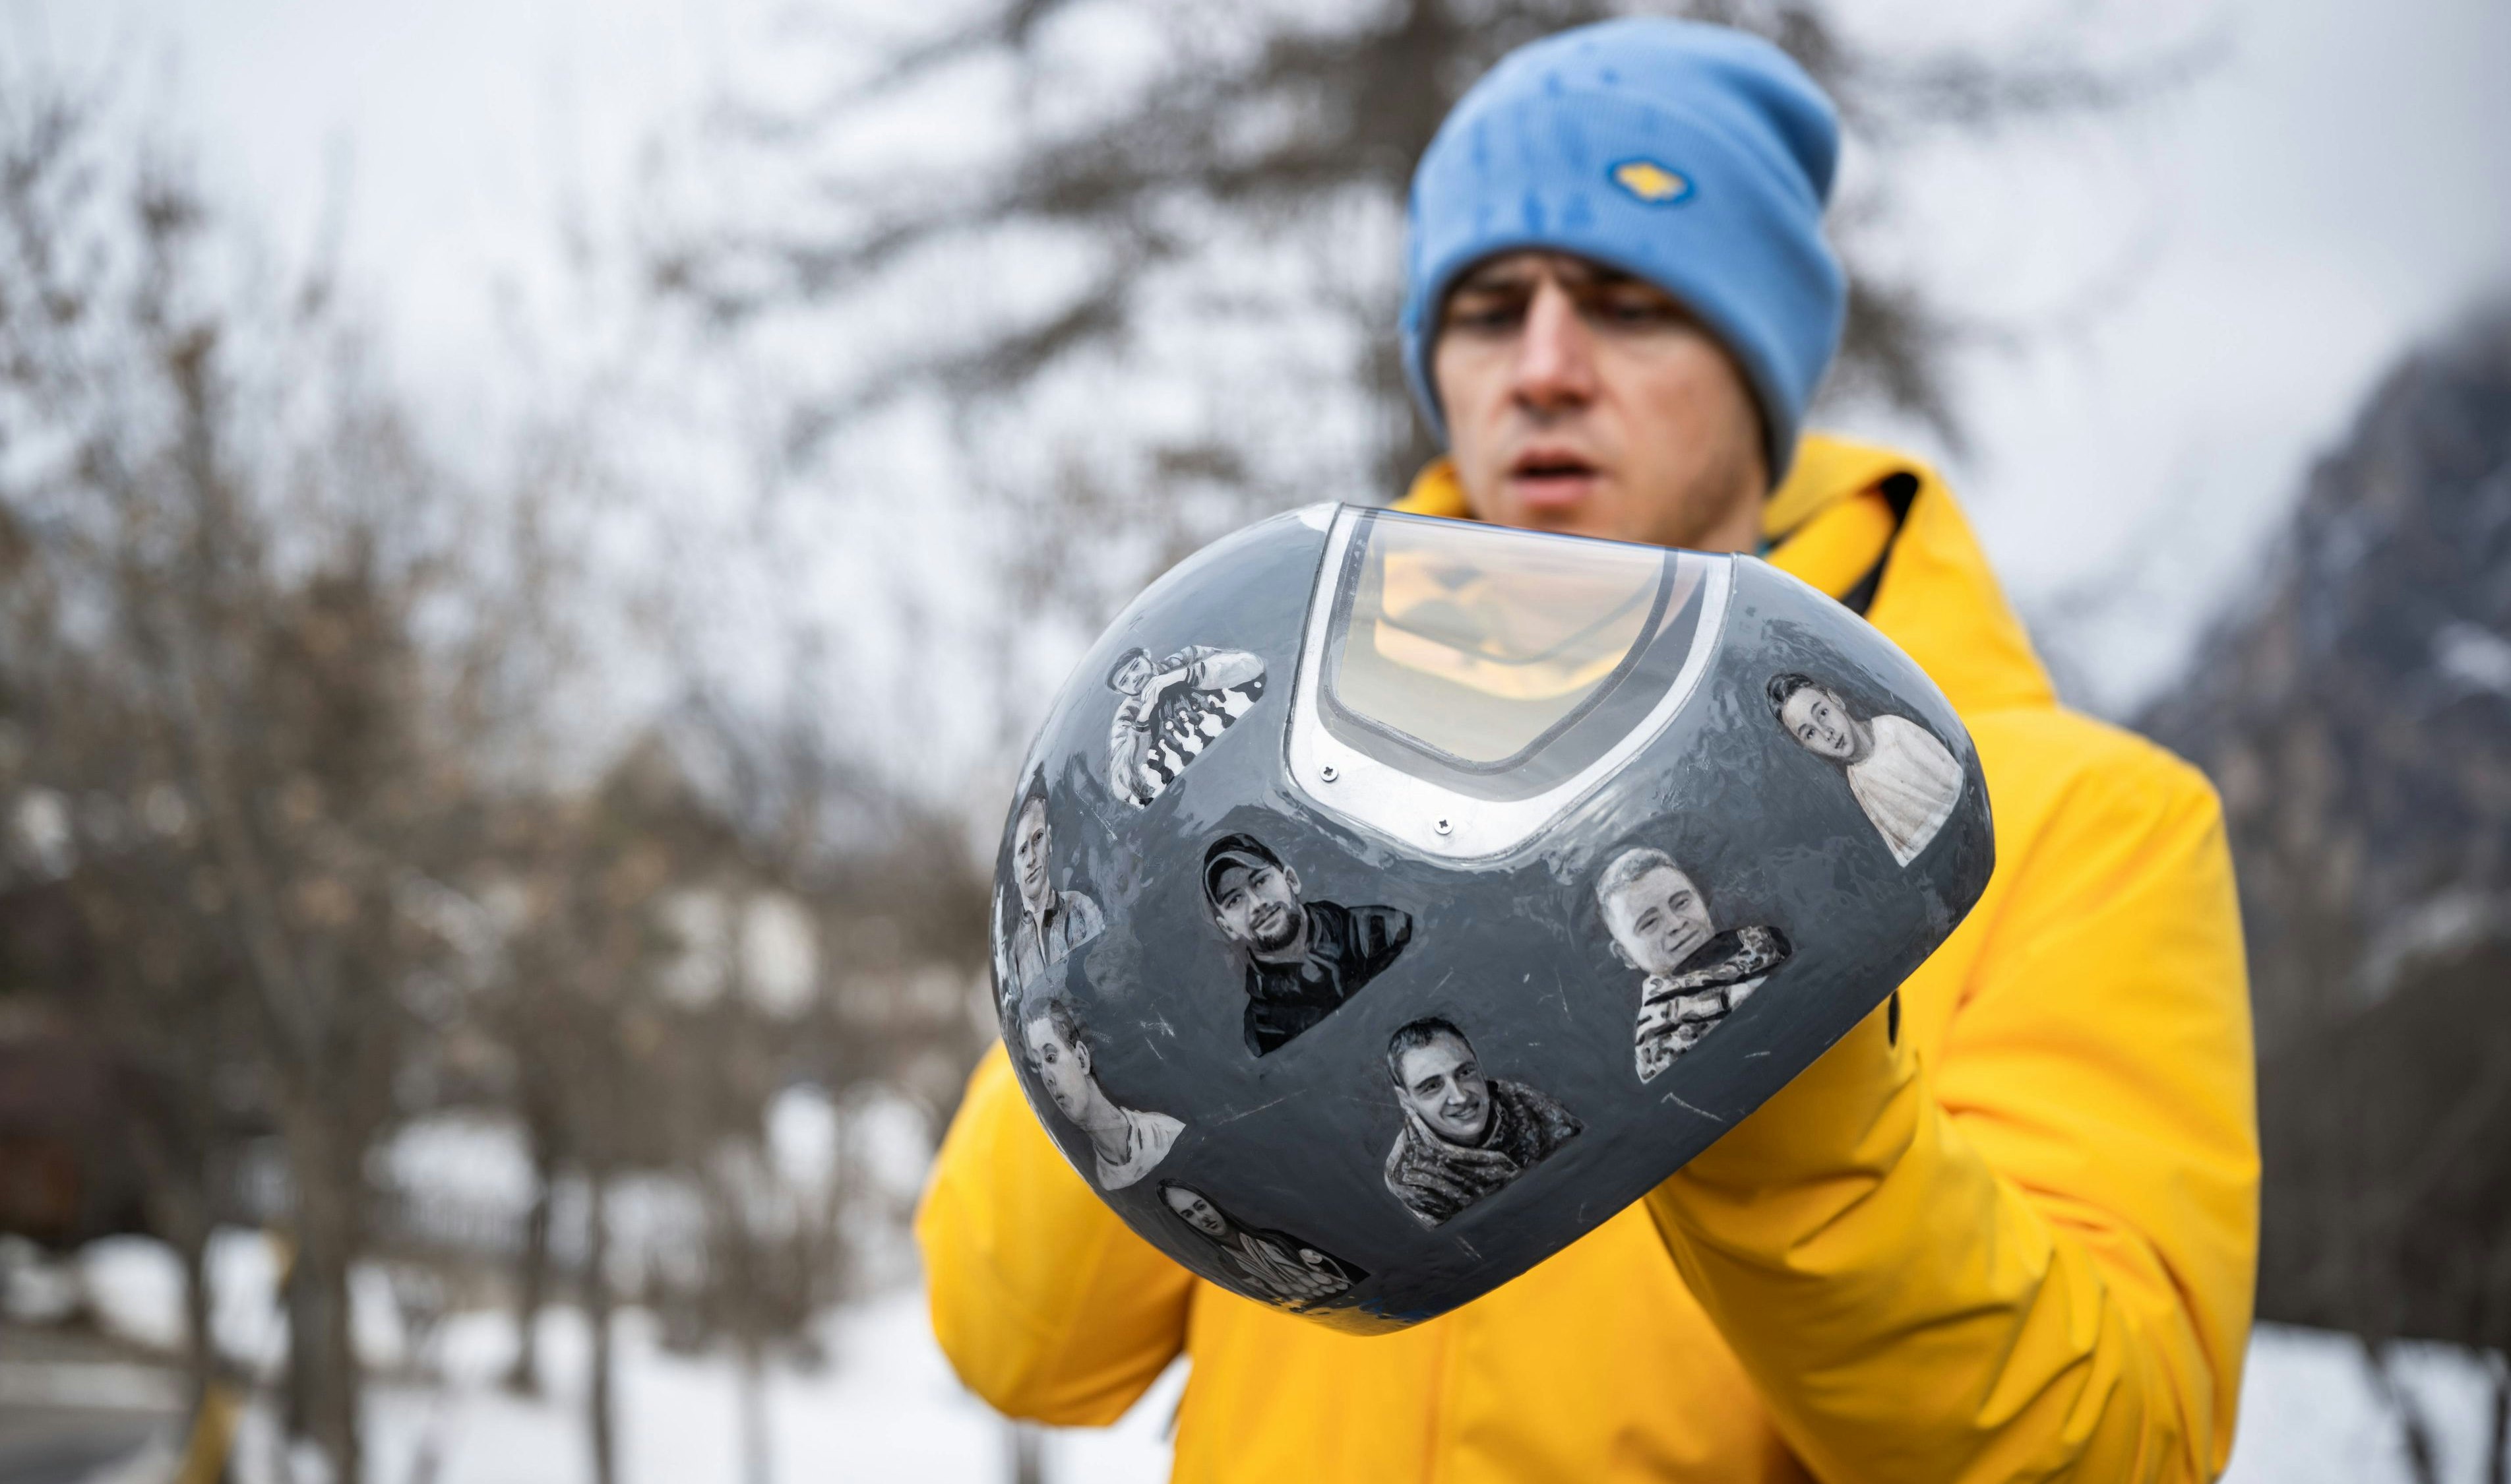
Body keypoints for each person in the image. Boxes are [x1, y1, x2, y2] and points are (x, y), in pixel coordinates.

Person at [921, 17, 2258, 1480]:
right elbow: (1019, 1344)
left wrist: (1768, 1076)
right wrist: (1140, 934)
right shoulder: (1264, 773)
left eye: (1628, 306)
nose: (1543, 368)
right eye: (1488, 311)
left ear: (1760, 369)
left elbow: (2115, 1448)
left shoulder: (2081, 827)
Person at [1200, 833, 1415, 1055]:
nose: (1257, 904)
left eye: (1261, 881)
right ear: (1227, 928)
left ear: (1291, 880)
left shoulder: (1383, 932)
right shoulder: (1264, 1030)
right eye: (1235, 900)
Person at [1597, 846, 1794, 1082]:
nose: (1676, 924)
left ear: (1700, 898)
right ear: (1625, 954)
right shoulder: (1660, 1038)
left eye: (1681, 903)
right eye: (1649, 923)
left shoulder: (1767, 941)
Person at [1380, 1018, 1583, 1227]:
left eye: (1465, 1073)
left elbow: (1582, 1163)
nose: (1459, 1097)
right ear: (1405, 1100)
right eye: (1432, 1086)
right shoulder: (1411, 1178)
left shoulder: (1522, 1100)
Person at [1768, 672, 1966, 866]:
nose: (1826, 733)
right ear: (1806, 746)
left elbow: (1959, 782)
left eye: (1822, 713)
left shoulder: (1893, 730)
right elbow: (1906, 850)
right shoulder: (1856, 780)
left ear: (1836, 701)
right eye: (1810, 733)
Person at [1019, 997, 1181, 1190]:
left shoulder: (1163, 1134)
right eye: (1039, 1066)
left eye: (1051, 1057)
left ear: (1081, 1058)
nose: (1047, 1078)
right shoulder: (1098, 1180)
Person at [1105, 644, 1268, 807]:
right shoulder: (1127, 717)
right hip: (1198, 791)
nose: (1134, 677)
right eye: (1125, 681)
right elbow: (1122, 786)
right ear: (1119, 691)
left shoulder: (1186, 658)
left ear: (1147, 656)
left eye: (1136, 666)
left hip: (1253, 740)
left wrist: (1183, 676)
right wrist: (1143, 721)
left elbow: (1252, 664)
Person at [1159, 1182, 1365, 1309]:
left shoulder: (1275, 1239)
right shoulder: (1229, 1265)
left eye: (1201, 1207)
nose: (1202, 1218)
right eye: (1189, 1215)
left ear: (1212, 1204)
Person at [999, 785, 1104, 1004]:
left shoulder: (1081, 908)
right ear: (1015, 866)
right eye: (1022, 851)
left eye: (1037, 838)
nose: (1031, 860)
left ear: (1049, 840)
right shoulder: (1015, 954)